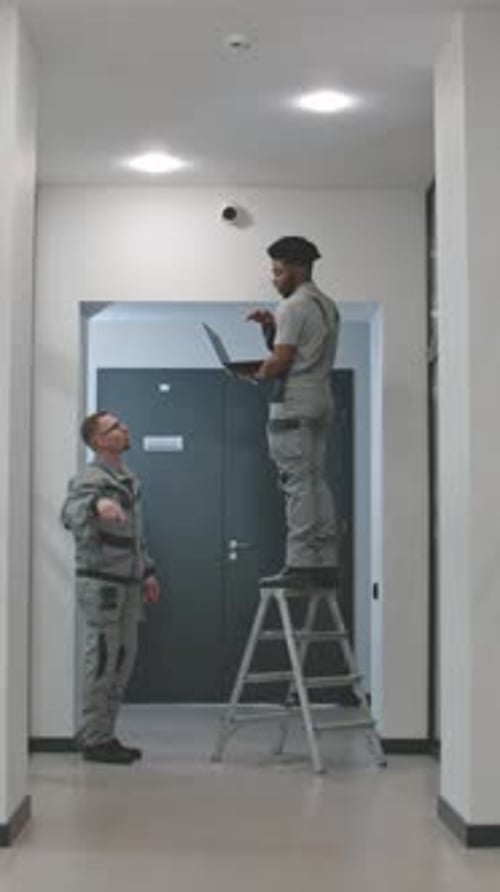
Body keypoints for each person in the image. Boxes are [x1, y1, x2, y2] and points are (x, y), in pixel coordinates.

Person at [61, 411, 160, 764]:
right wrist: (96, 504)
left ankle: (105, 735)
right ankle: (94, 739)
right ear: (99, 440)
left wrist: (147, 571)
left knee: (122, 661)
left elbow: (135, 535)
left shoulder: (127, 479)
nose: (124, 428)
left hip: (129, 584)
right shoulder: (89, 479)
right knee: (102, 661)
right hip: (102, 584)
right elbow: (69, 513)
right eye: (115, 426)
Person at [247, 236, 340, 588]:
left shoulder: (292, 306)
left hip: (293, 403)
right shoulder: (326, 305)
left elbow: (281, 361)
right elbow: (304, 350)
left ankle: (300, 562)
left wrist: (255, 373)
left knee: (296, 483)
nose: (274, 279)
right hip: (320, 400)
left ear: (298, 269)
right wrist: (271, 329)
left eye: (278, 271)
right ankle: (324, 559)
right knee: (315, 481)